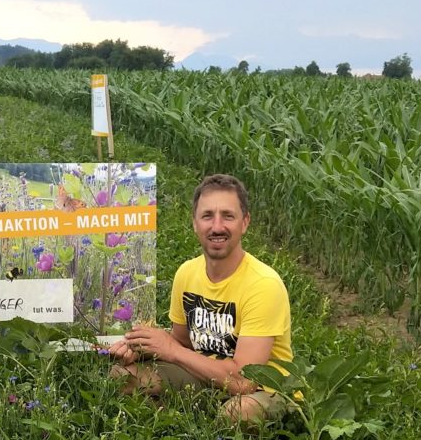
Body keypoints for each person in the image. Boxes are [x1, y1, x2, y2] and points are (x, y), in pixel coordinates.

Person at [109, 174, 293, 424]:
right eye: (207, 216)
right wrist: (141, 348)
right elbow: (182, 342)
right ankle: (188, 420)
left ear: (245, 223)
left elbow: (244, 381)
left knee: (240, 413)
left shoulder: (263, 284)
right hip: (205, 377)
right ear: (195, 223)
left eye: (228, 216)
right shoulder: (187, 273)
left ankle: (193, 418)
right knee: (121, 376)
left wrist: (171, 349)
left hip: (261, 389)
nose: (217, 227)